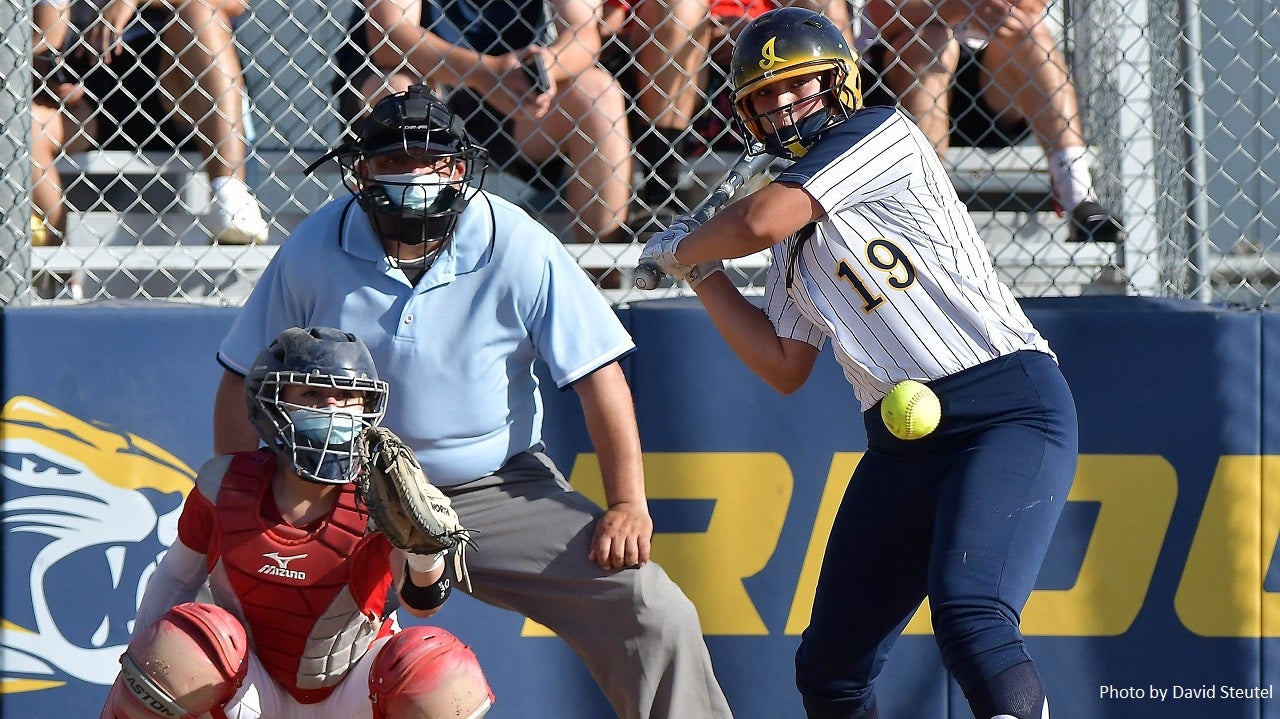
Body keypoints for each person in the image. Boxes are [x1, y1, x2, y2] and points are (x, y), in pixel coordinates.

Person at [212, 86, 734, 718]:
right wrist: (244, 503)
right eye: (391, 163)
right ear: (361, 171)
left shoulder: (516, 241)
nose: (411, 176)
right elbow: (243, 380)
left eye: (428, 161)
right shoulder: (316, 245)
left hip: (492, 488)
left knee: (651, 609)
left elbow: (601, 377)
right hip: (338, 486)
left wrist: (628, 504)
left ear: (459, 168)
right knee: (227, 639)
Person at [639, 8, 1077, 718]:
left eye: (797, 85)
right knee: (831, 669)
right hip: (902, 447)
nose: (780, 106)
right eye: (761, 97)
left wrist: (686, 244)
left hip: (1007, 405)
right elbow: (784, 363)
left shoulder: (879, 133)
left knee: (971, 612)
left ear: (837, 82)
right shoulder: (791, 244)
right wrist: (701, 275)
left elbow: (754, 221)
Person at [98, 325, 494, 719]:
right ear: (273, 402)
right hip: (251, 687)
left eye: (349, 397)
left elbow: (421, 606)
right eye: (312, 395)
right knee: (186, 646)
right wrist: (138, 670)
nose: (333, 410)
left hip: (352, 688)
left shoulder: (384, 495)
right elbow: (174, 579)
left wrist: (424, 553)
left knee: (439, 672)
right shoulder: (223, 485)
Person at [333, 0, 632, 251]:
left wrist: (548, 64)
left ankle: (604, 280)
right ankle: (407, 267)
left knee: (598, 93)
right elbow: (390, 37)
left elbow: (584, 35)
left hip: (507, 88)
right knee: (399, 90)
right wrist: (485, 74)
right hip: (418, 78)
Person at [857, 0, 1124, 243]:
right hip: (901, 75)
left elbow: (1033, 6)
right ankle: (922, 202)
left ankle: (1078, 194)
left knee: (1032, 33)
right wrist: (963, 5)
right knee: (933, 41)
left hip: (990, 81)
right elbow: (884, 13)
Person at [31, 0, 269, 248]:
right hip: (91, 79)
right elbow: (44, 37)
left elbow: (235, 3)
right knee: (28, 128)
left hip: (178, 76)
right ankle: (60, 275)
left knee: (197, 11)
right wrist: (47, 71)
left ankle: (228, 193)